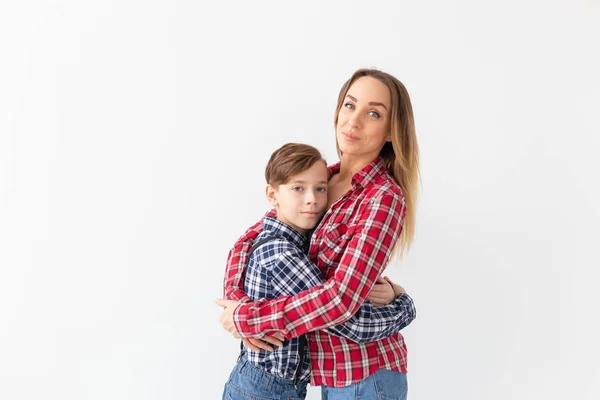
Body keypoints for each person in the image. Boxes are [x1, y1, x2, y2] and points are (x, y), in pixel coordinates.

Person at [217, 68, 420, 399]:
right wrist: (236, 305)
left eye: (373, 113)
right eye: (350, 105)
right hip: (327, 371)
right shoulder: (321, 179)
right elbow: (251, 239)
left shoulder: (383, 197)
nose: (353, 122)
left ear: (391, 132)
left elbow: (340, 301)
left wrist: (252, 319)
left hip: (366, 371)